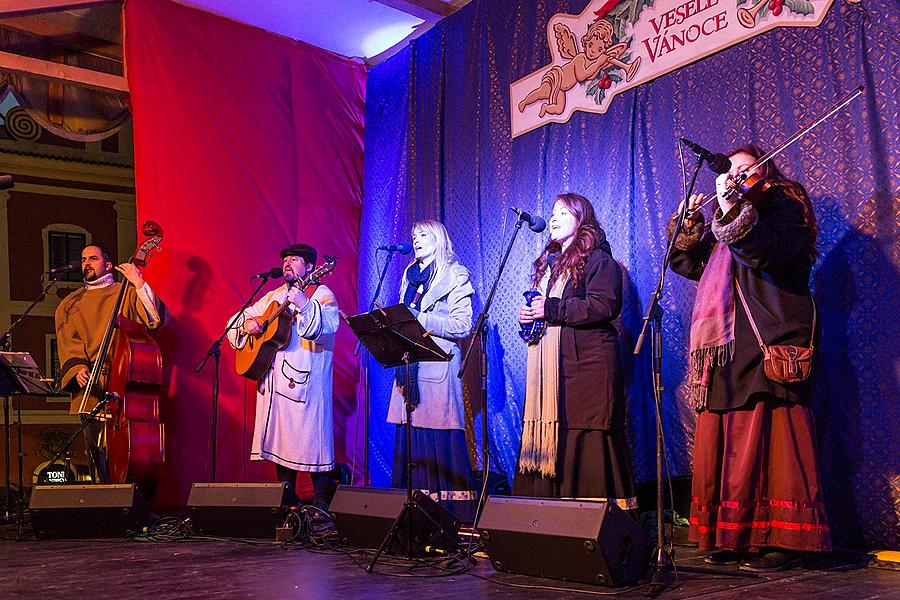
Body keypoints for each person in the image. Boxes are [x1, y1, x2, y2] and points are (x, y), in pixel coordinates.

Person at [669, 143, 831, 572]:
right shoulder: (730, 218)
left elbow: (762, 252)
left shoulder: (784, 204)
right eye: (732, 170)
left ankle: (782, 537)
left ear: (766, 171)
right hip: (725, 346)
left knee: (773, 439)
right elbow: (688, 265)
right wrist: (691, 224)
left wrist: (729, 209)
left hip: (769, 337)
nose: (738, 175)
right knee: (725, 437)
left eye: (747, 168)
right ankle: (734, 535)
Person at [514, 193, 637, 511]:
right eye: (552, 212)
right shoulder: (549, 266)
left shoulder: (600, 261)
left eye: (562, 213)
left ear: (582, 220)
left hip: (588, 371)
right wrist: (530, 317)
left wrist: (550, 307)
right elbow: (546, 312)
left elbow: (603, 305)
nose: (552, 218)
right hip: (554, 372)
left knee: (584, 444)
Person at [227, 243, 339, 510]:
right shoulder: (274, 294)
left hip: (306, 383)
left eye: (295, 259)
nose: (287, 263)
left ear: (311, 267)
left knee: (312, 445)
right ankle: (288, 503)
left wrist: (303, 303)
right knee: (281, 442)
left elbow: (327, 327)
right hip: (275, 381)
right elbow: (236, 320)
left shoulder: (321, 293)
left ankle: (321, 507)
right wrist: (247, 324)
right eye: (285, 259)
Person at [386, 219, 477, 521]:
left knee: (435, 438)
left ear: (439, 239)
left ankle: (448, 517)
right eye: (414, 235)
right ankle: (410, 517)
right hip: (408, 366)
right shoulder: (408, 276)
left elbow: (463, 325)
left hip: (437, 368)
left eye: (424, 234)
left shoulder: (455, 274)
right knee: (410, 440)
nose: (417, 239)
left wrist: (420, 319)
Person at [55, 244, 166, 484]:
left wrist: (138, 283)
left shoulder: (124, 292)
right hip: (90, 389)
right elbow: (68, 343)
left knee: (128, 454)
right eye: (83, 259)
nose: (86, 263)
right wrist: (77, 368)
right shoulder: (70, 304)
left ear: (107, 265)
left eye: (93, 258)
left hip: (122, 384)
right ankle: (102, 502)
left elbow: (154, 320)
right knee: (96, 456)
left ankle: (129, 500)